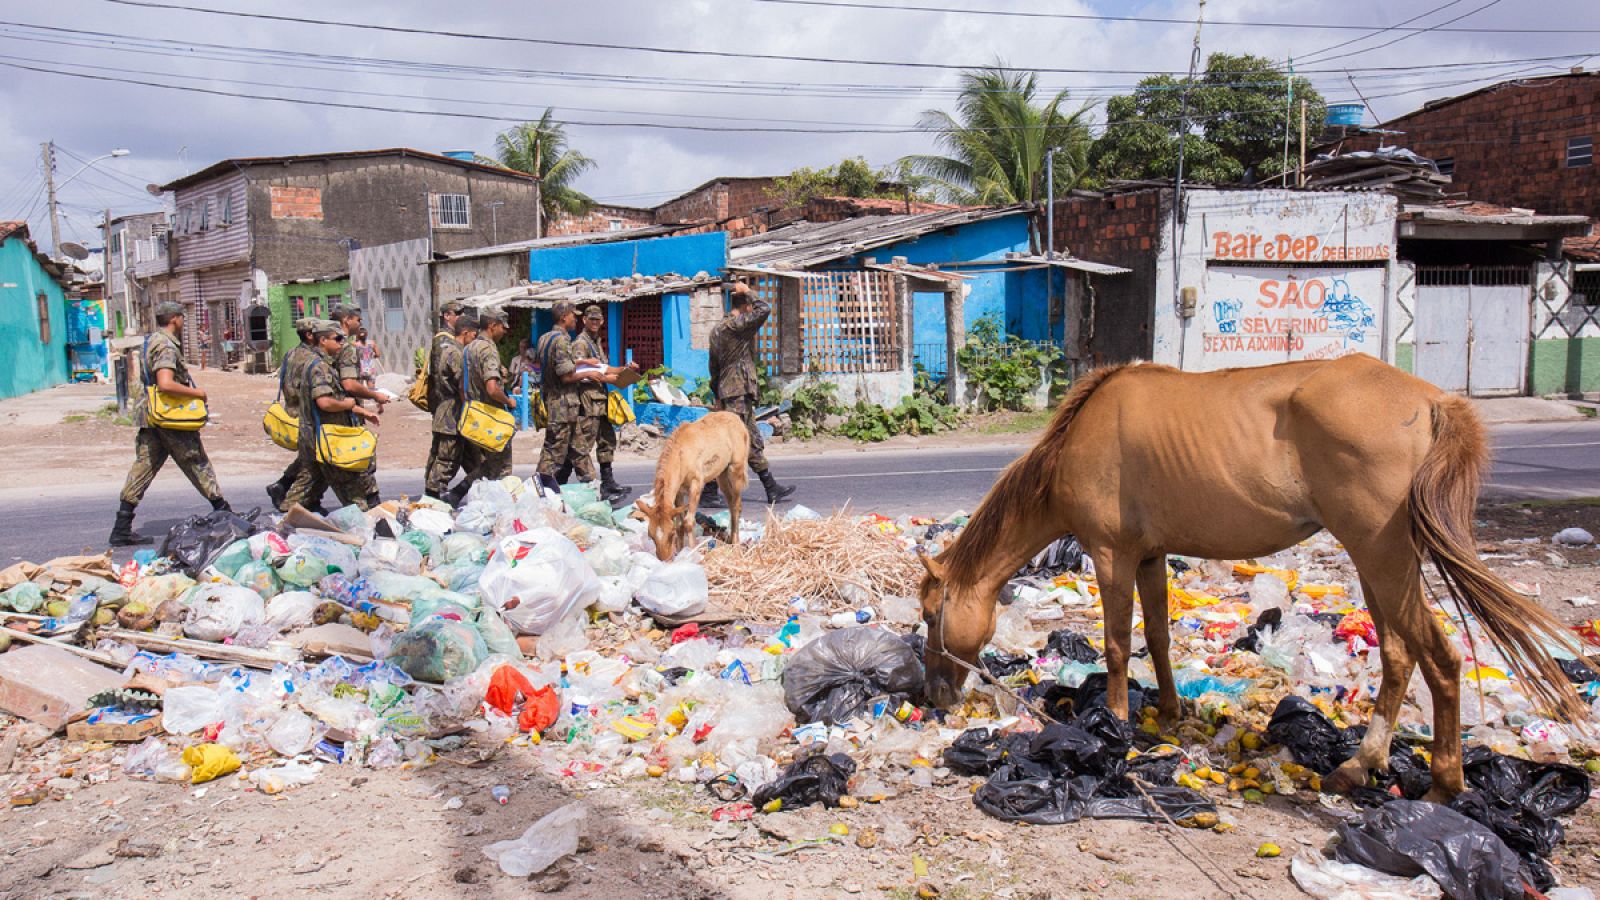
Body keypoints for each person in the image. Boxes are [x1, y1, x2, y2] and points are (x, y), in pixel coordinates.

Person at [110, 300, 230, 546]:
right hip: (169, 416)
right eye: (182, 317)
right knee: (196, 460)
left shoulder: (152, 340)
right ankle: (224, 512)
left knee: (143, 467)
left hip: (151, 416)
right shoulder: (166, 344)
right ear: (175, 319)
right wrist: (198, 394)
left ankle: (121, 526)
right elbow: (165, 382)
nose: (183, 321)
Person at [702, 280, 795, 508]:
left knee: (751, 437)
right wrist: (748, 291)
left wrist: (716, 393)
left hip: (730, 392)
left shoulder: (717, 330)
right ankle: (708, 489)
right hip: (737, 392)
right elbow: (764, 309)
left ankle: (770, 486)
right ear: (745, 307)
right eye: (748, 306)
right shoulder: (738, 325)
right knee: (730, 443)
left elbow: (713, 366)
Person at [286, 319, 381, 510]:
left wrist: (360, 410)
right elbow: (325, 402)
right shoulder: (319, 367)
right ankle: (365, 522)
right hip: (325, 438)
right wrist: (347, 403)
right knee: (351, 489)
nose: (340, 343)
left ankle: (283, 521)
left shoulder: (321, 364)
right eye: (337, 339)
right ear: (322, 341)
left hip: (316, 437)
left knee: (306, 485)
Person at [564, 304, 638, 501]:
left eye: (598, 320)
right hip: (588, 401)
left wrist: (624, 370)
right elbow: (578, 372)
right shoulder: (581, 343)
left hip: (601, 401)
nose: (595, 323)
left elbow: (604, 368)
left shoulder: (595, 342)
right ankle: (559, 484)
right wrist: (608, 379)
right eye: (592, 319)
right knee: (582, 446)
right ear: (584, 320)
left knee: (606, 441)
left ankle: (608, 482)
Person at [535, 300, 605, 488]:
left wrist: (585, 363)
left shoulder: (545, 338)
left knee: (580, 450)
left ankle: (592, 489)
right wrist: (590, 373)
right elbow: (565, 376)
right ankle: (540, 491)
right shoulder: (562, 339)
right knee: (552, 454)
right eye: (573, 315)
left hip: (562, 406)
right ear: (563, 317)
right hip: (562, 406)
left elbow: (560, 365)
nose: (575, 319)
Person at [265, 318, 329, 514]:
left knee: (309, 458)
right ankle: (291, 503)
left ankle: (293, 490)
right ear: (310, 335)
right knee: (314, 461)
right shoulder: (312, 358)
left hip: (291, 410)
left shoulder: (290, 354)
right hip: (306, 414)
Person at [453, 307, 515, 500]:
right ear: (492, 325)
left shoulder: (469, 348)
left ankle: (459, 492)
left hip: (475, 417)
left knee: (489, 465)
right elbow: (492, 389)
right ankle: (501, 510)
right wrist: (509, 401)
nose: (505, 331)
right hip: (492, 419)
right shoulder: (488, 349)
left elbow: (462, 387)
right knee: (502, 468)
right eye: (502, 327)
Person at [425, 309, 478, 501]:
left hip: (446, 412)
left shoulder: (448, 350)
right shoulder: (455, 353)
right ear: (465, 333)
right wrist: (469, 410)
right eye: (473, 335)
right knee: (446, 460)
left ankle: (465, 493)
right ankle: (432, 497)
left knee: (468, 459)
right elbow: (462, 386)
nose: (474, 338)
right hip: (452, 414)